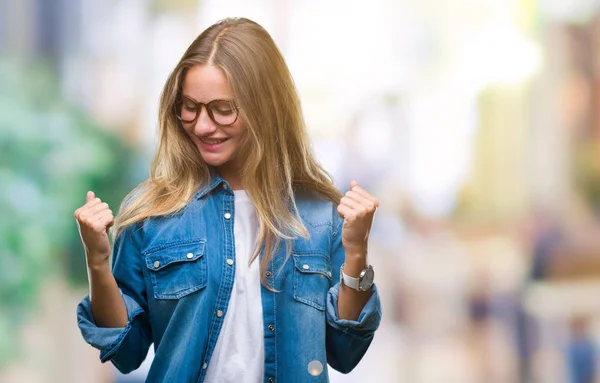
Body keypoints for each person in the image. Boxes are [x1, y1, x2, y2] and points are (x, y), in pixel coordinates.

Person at [75, 17, 382, 383]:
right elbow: (126, 353)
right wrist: (97, 262)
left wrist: (357, 254)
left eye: (223, 109)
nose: (202, 125)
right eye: (189, 107)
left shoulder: (320, 216)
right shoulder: (152, 215)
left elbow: (345, 352)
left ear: (266, 108)